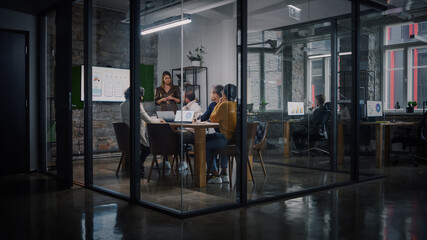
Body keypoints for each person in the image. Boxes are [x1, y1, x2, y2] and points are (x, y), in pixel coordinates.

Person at [120, 87, 165, 178]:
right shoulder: (137, 105)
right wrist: (159, 120)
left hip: (127, 137)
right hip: (136, 137)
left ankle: (135, 164)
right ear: (139, 96)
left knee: (146, 145)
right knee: (149, 147)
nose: (142, 98)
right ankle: (138, 163)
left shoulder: (122, 105)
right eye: (141, 95)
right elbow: (149, 121)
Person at [206, 84, 237, 184]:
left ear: (224, 94)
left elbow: (213, 118)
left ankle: (215, 174)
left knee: (204, 144)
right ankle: (224, 173)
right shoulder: (235, 105)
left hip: (225, 139)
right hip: (233, 140)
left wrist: (219, 103)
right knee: (214, 138)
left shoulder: (224, 105)